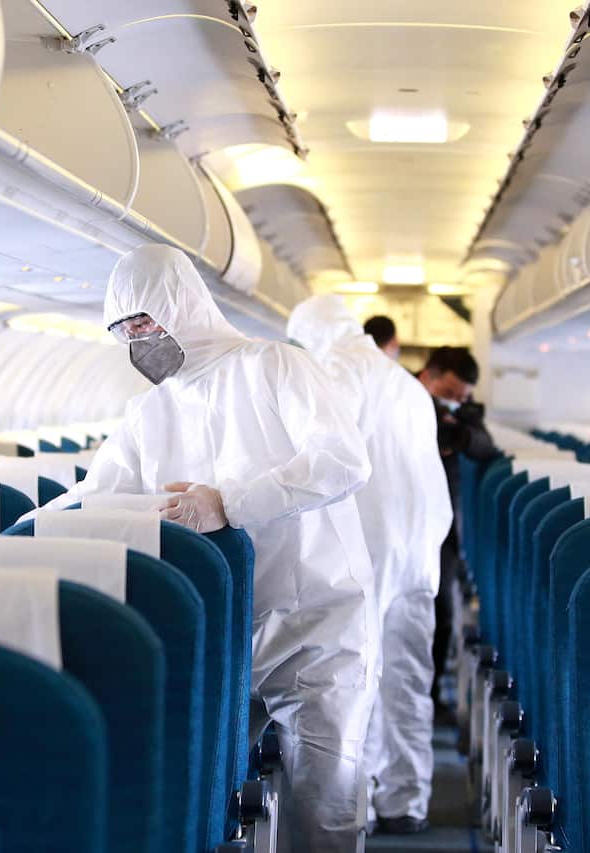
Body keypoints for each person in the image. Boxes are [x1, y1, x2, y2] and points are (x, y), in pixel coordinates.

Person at [67, 245, 378, 853]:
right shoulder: (147, 411)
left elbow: (343, 460)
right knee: (207, 801)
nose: (137, 338)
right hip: (215, 634)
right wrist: (9, 537)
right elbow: (96, 493)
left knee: (324, 802)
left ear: (182, 307)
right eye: (124, 329)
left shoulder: (276, 366)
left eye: (145, 322)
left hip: (315, 620)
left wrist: (229, 505)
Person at [288, 296, 452, 835]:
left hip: (368, 547)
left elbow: (326, 457)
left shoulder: (338, 369)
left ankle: (350, 810)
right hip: (419, 548)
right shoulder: (406, 382)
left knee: (354, 680)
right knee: (407, 674)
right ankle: (407, 800)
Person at [416, 347, 498, 714]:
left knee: (442, 611)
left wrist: (463, 436)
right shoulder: (400, 396)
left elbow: (486, 447)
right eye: (448, 394)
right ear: (429, 376)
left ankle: (429, 694)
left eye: (461, 397)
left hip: (442, 526)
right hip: (401, 518)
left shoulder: (462, 414)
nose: (453, 402)